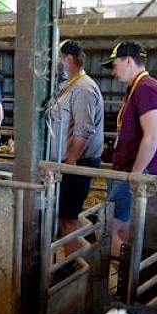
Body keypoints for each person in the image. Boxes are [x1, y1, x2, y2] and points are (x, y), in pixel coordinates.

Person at [103, 40, 157, 257]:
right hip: (126, 170)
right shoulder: (137, 89)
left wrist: (135, 175)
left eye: (114, 65)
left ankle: (126, 279)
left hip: (133, 172)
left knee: (112, 227)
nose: (113, 72)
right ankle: (127, 279)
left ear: (128, 60)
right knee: (122, 228)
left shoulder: (146, 89)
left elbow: (152, 135)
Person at [50, 40, 105, 255]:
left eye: (58, 58)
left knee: (68, 217)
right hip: (66, 162)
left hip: (76, 163)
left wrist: (70, 162)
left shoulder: (83, 88)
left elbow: (84, 129)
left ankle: (76, 265)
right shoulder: (70, 85)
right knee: (66, 215)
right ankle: (87, 256)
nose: (55, 63)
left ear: (68, 59)